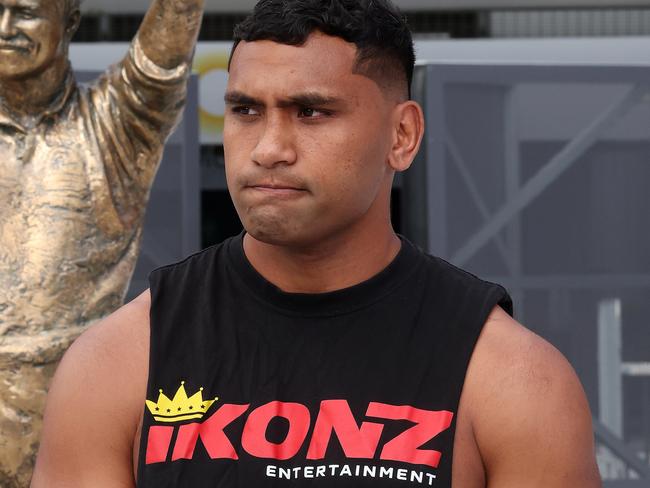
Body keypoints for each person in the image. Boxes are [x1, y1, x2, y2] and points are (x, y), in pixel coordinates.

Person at [33, 0, 602, 486]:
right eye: (246, 111)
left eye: (310, 112)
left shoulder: (515, 382)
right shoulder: (118, 363)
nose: (269, 148)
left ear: (401, 135)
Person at [0, 0, 204, 483]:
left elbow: (161, 62)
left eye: (25, 12)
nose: (5, 28)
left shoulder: (115, 128)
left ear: (69, 21)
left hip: (64, 432)